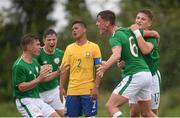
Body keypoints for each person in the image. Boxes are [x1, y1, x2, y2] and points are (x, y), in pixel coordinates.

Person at [96, 10, 157, 117]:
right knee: (146, 113)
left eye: (99, 21)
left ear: (107, 23)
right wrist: (154, 33)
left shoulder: (114, 37)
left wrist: (105, 66)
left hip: (135, 74)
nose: (97, 24)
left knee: (111, 106)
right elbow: (150, 33)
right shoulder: (126, 30)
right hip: (146, 74)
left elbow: (116, 55)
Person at [59, 20, 102, 117]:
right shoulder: (69, 48)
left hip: (88, 90)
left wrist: (96, 87)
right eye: (72, 29)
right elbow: (64, 69)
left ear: (84, 30)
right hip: (72, 91)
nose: (73, 31)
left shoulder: (94, 47)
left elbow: (99, 69)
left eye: (76, 28)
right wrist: (61, 87)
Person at [12, 34, 60, 117]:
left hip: (37, 99)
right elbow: (21, 87)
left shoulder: (34, 61)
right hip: (25, 100)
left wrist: (58, 72)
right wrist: (38, 79)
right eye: (38, 45)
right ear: (29, 47)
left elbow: (43, 78)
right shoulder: (19, 65)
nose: (40, 47)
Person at [129, 9, 161, 116]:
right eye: (137, 18)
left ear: (149, 23)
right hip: (137, 76)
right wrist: (122, 62)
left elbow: (145, 50)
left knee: (149, 113)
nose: (139, 20)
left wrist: (137, 32)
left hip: (152, 76)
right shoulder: (131, 36)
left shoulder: (152, 37)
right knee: (134, 112)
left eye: (143, 19)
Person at [35, 29, 65, 116]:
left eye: (54, 39)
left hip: (54, 91)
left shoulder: (60, 53)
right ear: (44, 41)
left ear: (57, 40)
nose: (51, 42)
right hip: (39, 94)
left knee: (68, 115)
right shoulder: (37, 53)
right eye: (49, 40)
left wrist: (62, 86)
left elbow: (64, 70)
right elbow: (39, 77)